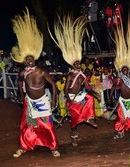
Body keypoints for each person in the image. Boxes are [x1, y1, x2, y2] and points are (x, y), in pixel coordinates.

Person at [12, 9, 60, 158]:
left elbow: (53, 85)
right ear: (24, 61)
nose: (29, 61)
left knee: (47, 125)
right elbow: (19, 82)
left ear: (35, 59)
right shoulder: (23, 73)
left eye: (31, 59)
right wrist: (21, 95)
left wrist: (54, 100)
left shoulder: (41, 71)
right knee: (26, 125)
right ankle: (23, 146)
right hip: (29, 102)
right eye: (27, 59)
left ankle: (53, 147)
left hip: (42, 101)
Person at [49, 16, 97, 147]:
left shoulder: (82, 74)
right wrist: (68, 99)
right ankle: (74, 135)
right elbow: (65, 88)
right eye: (75, 62)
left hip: (79, 95)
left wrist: (94, 92)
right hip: (70, 97)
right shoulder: (70, 74)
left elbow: (86, 86)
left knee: (90, 99)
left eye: (78, 62)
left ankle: (90, 118)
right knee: (75, 119)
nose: (77, 63)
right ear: (72, 63)